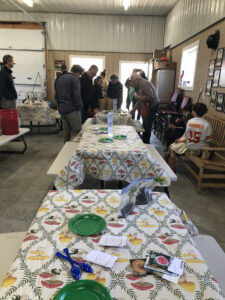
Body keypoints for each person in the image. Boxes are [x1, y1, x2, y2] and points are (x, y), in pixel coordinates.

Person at [165, 103, 213, 172]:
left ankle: (171, 164)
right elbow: (209, 140)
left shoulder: (190, 122)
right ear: (204, 112)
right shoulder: (207, 124)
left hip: (189, 148)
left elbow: (187, 136)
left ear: (193, 112)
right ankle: (170, 161)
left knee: (171, 146)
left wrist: (182, 140)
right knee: (207, 145)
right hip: (199, 151)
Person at [55, 64, 83, 143]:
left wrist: (59, 106)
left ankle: (65, 153)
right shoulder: (75, 79)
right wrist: (78, 108)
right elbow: (76, 95)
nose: (79, 76)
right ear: (77, 72)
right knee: (77, 133)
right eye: (80, 74)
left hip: (62, 110)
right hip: (72, 110)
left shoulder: (60, 78)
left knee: (67, 134)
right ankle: (74, 152)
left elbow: (56, 95)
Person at [130, 73, 159, 143]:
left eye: (132, 81)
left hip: (152, 106)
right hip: (146, 106)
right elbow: (140, 100)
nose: (132, 84)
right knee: (145, 124)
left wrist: (139, 97)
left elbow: (151, 97)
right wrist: (134, 109)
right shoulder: (139, 85)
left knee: (147, 125)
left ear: (136, 80)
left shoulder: (145, 83)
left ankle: (146, 143)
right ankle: (144, 141)